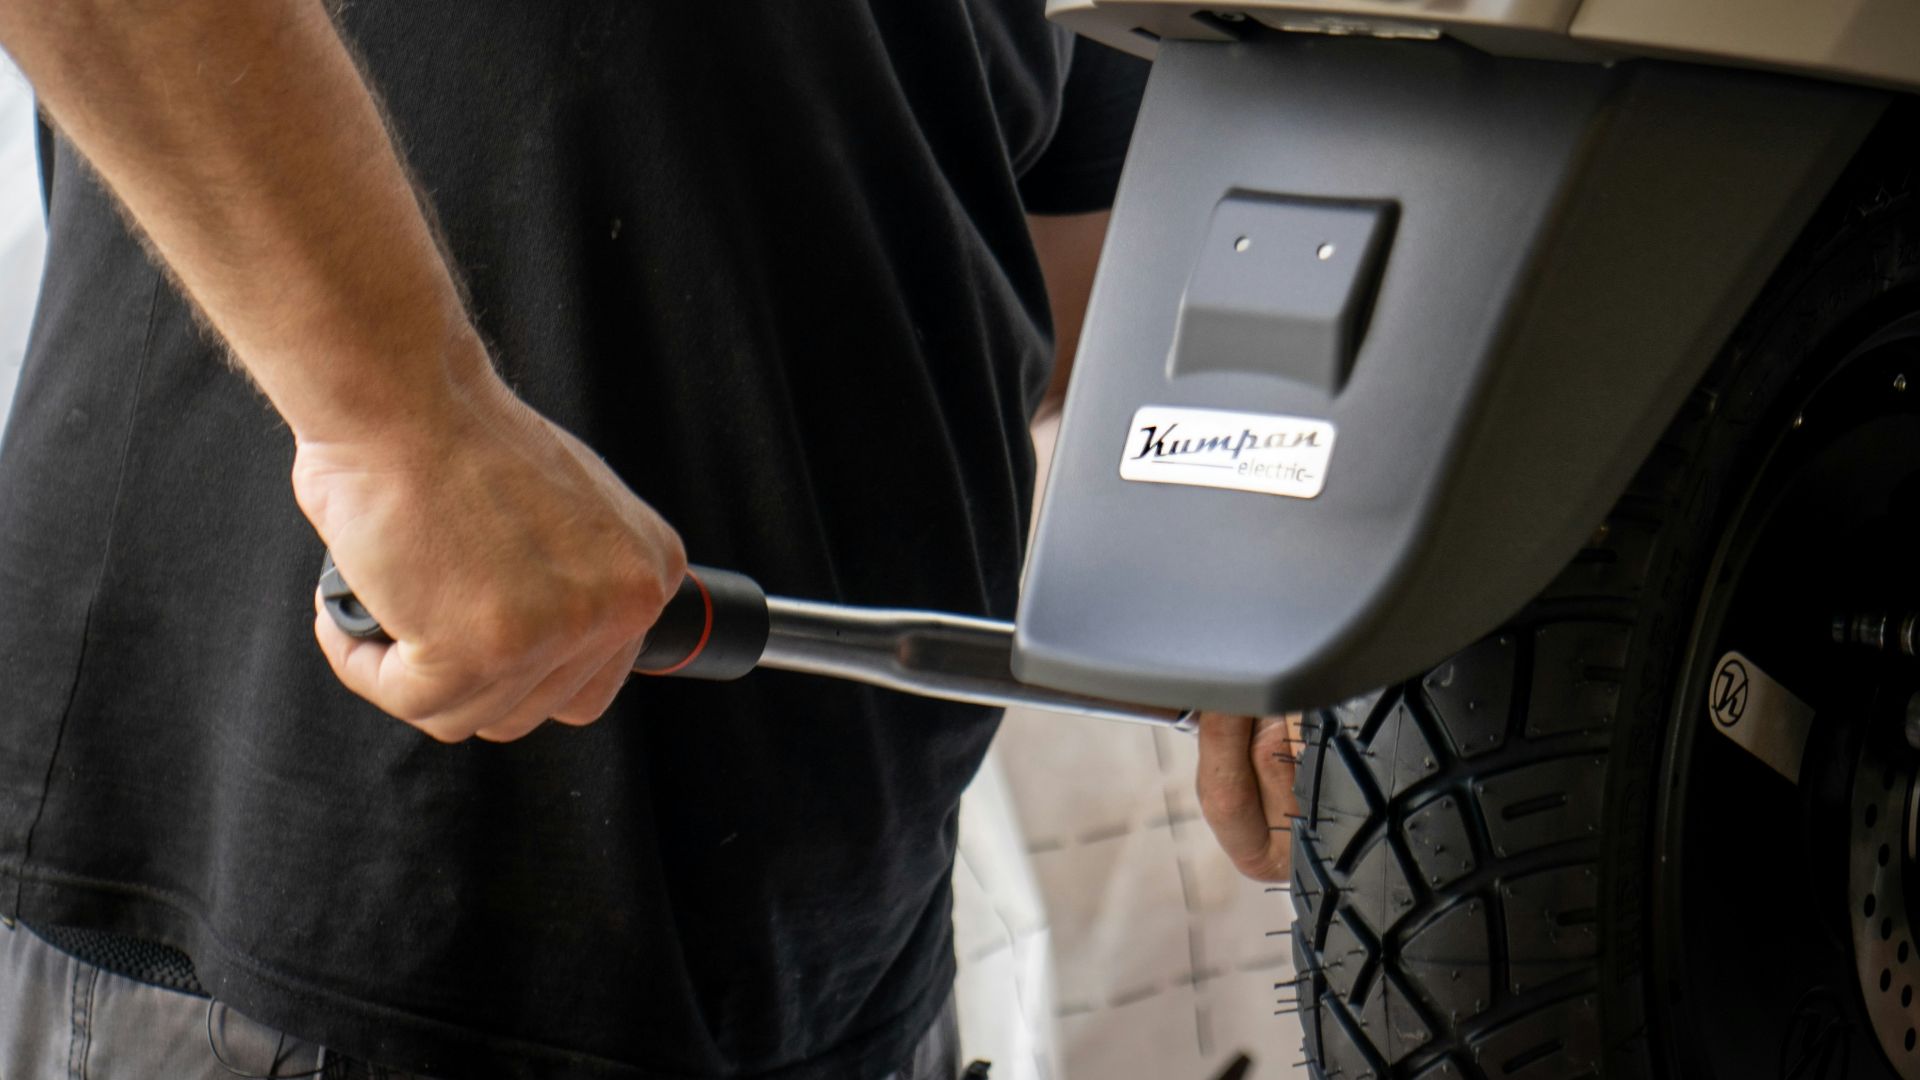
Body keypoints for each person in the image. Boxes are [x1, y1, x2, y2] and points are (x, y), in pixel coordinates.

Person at [0, 2, 1296, 1077]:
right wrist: (410, 429)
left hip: (840, 916)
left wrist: (1259, 538)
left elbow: (1033, 259)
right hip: (327, 900)